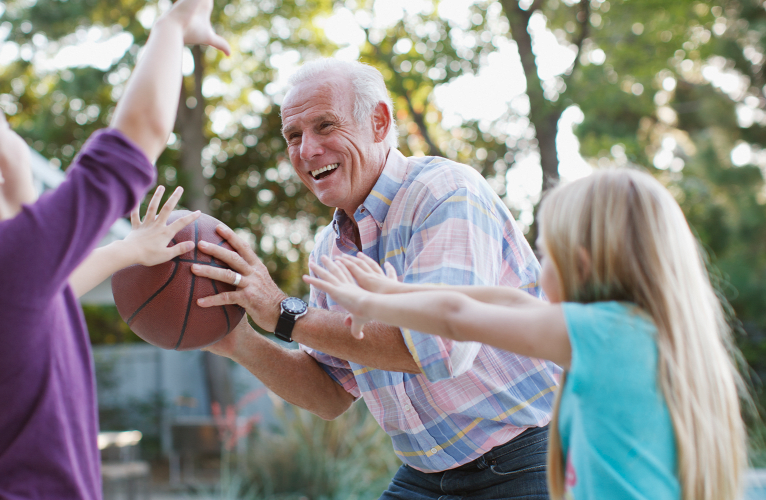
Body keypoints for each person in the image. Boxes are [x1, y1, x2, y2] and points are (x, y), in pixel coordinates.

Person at [0, 1, 228, 497]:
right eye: (6, 127)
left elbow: (49, 297)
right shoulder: (4, 260)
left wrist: (128, 249)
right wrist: (172, 25)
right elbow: (137, 136)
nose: (17, 138)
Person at [192, 58, 562, 498]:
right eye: (294, 136)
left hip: (530, 457)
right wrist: (238, 341)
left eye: (325, 126)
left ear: (380, 121)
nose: (306, 150)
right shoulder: (329, 249)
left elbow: (438, 346)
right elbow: (328, 393)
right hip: (427, 474)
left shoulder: (444, 193)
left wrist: (279, 311)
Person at [305, 169, 749, 500]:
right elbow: (506, 300)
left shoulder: (599, 334)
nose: (539, 268)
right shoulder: (630, 331)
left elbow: (460, 316)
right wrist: (396, 289)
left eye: (545, 253)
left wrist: (373, 304)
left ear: (581, 264)